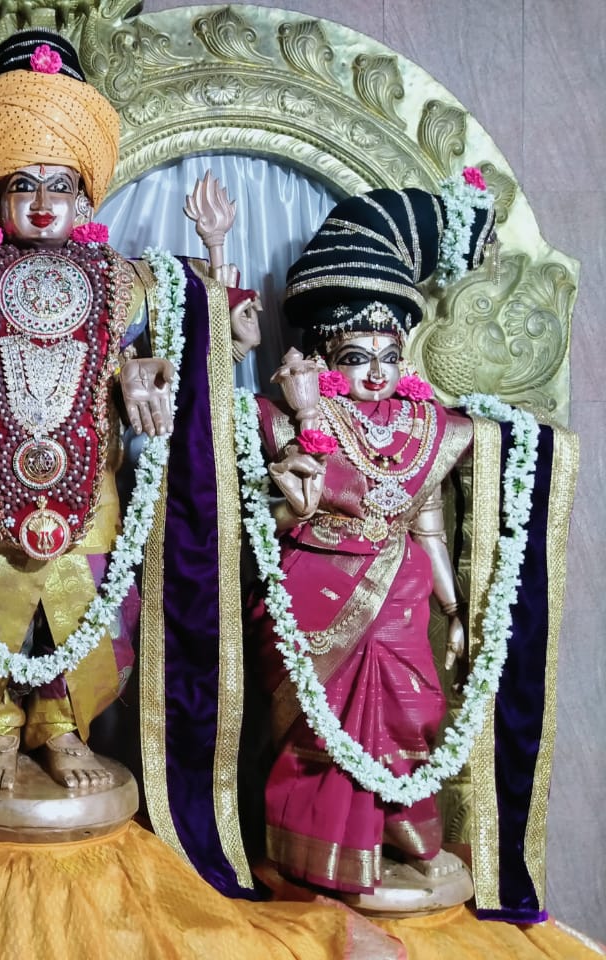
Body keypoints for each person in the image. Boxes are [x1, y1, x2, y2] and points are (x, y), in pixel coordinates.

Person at [0, 30, 200, 791]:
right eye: (23, 187)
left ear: (85, 199)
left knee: (88, 603)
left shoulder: (122, 280)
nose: (41, 204)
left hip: (89, 480)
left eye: (60, 186)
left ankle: (65, 728)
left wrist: (140, 380)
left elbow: (154, 349)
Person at [250, 180, 495, 897]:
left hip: (403, 593)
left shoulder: (428, 427)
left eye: (389, 353)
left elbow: (427, 524)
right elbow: (278, 513)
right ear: (326, 356)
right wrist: (303, 433)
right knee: (321, 729)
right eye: (358, 355)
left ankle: (405, 834)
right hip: (318, 589)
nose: (378, 370)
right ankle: (324, 851)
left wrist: (456, 610)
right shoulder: (291, 417)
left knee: (415, 713)